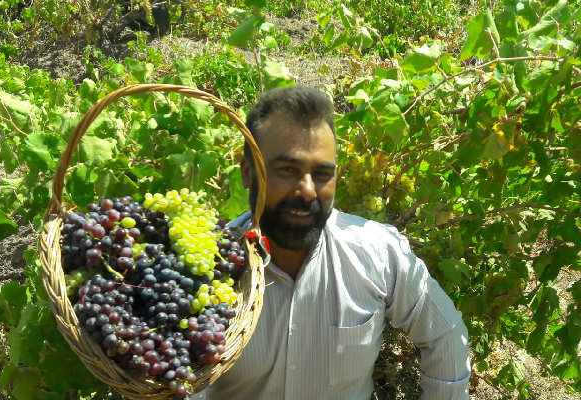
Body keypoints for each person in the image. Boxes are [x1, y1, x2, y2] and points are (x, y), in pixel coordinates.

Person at [196, 86, 470, 399]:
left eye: (323, 174)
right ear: (247, 173)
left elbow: (446, 336)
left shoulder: (377, 254)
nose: (307, 190)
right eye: (288, 170)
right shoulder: (207, 267)